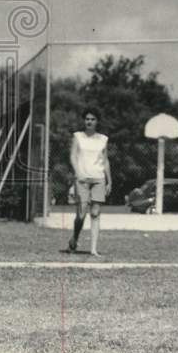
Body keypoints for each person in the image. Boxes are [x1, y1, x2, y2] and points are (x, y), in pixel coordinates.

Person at [68, 108, 112, 257]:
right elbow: (73, 156)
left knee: (95, 213)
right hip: (82, 179)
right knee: (81, 214)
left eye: (92, 119)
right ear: (84, 120)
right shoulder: (78, 136)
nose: (89, 121)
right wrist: (77, 172)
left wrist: (109, 181)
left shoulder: (103, 139)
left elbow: (105, 161)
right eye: (87, 119)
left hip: (98, 178)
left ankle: (93, 249)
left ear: (97, 121)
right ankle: (74, 238)